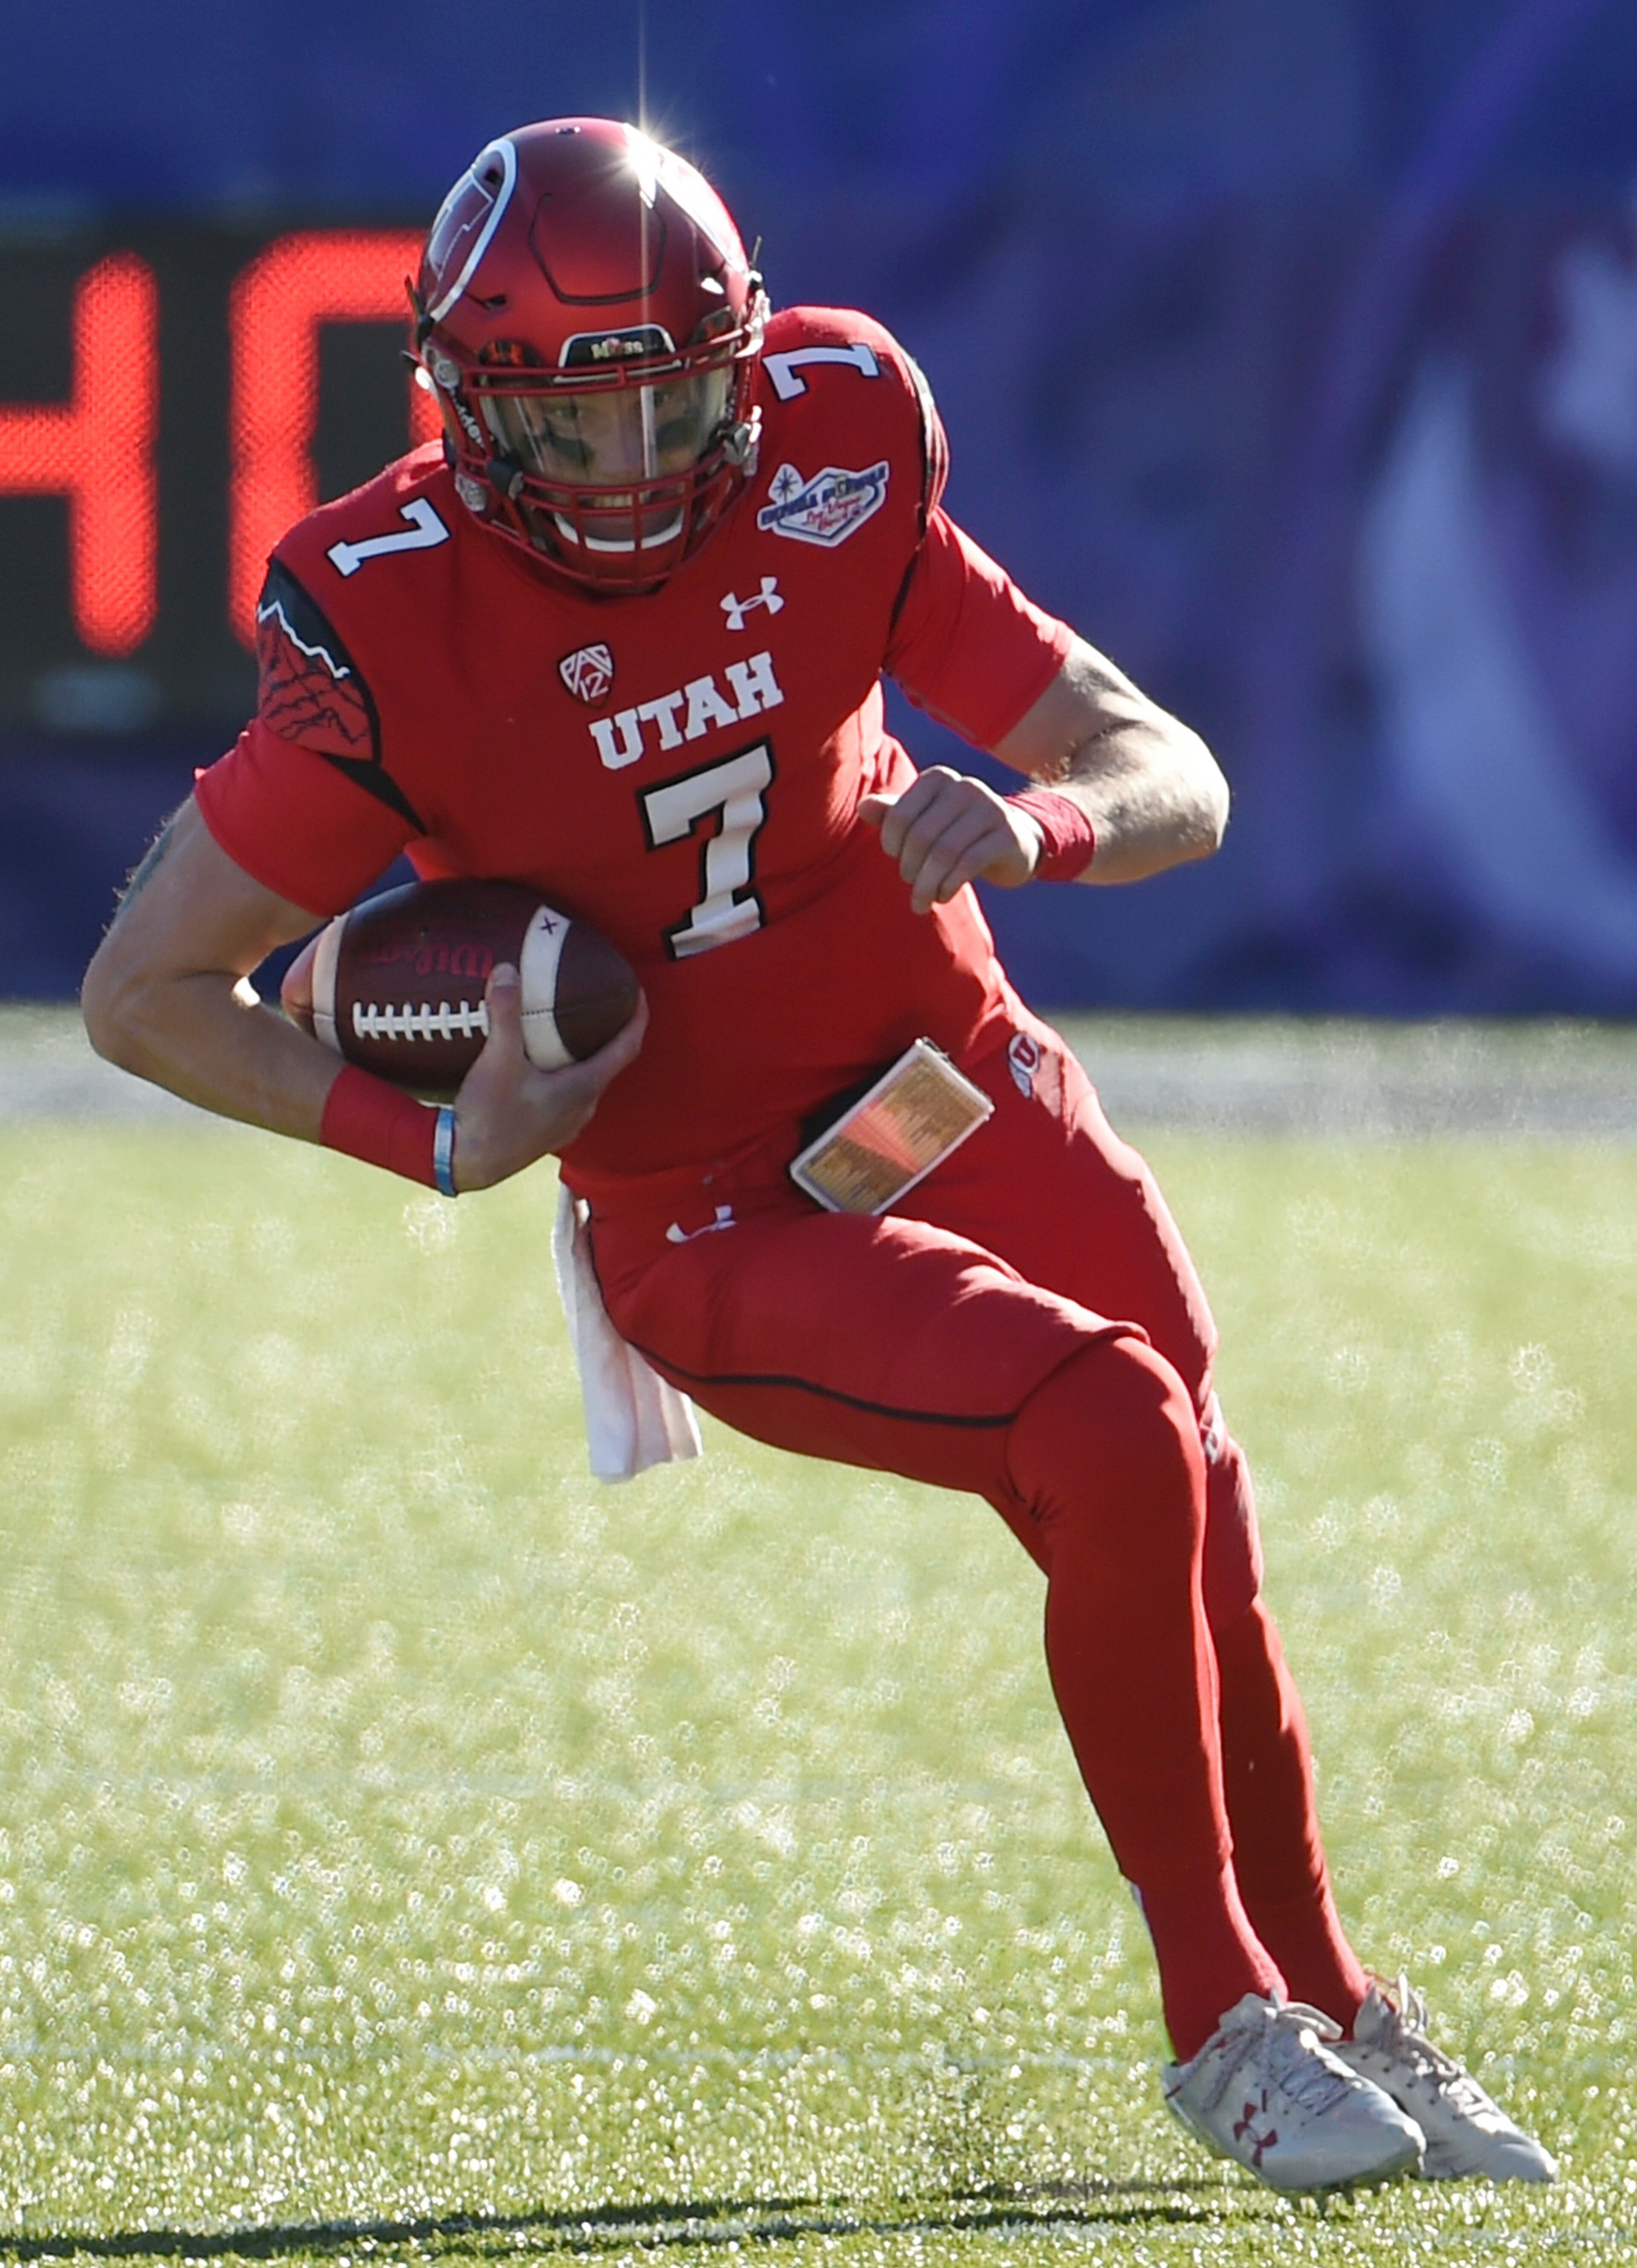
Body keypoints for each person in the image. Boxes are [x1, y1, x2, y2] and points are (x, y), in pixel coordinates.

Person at [81, 117, 1553, 2194]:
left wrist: (1035, 824)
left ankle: (1332, 1984)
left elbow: (1169, 768)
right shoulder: (391, 613)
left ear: (747, 364)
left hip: (947, 1067)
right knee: (1113, 1421)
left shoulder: (838, 443)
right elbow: (144, 987)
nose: (635, 466)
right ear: (468, 411)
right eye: (573, 425)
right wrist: (428, 1136)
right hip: (711, 1202)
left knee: (1188, 1480)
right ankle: (1224, 2016)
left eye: (678, 403)